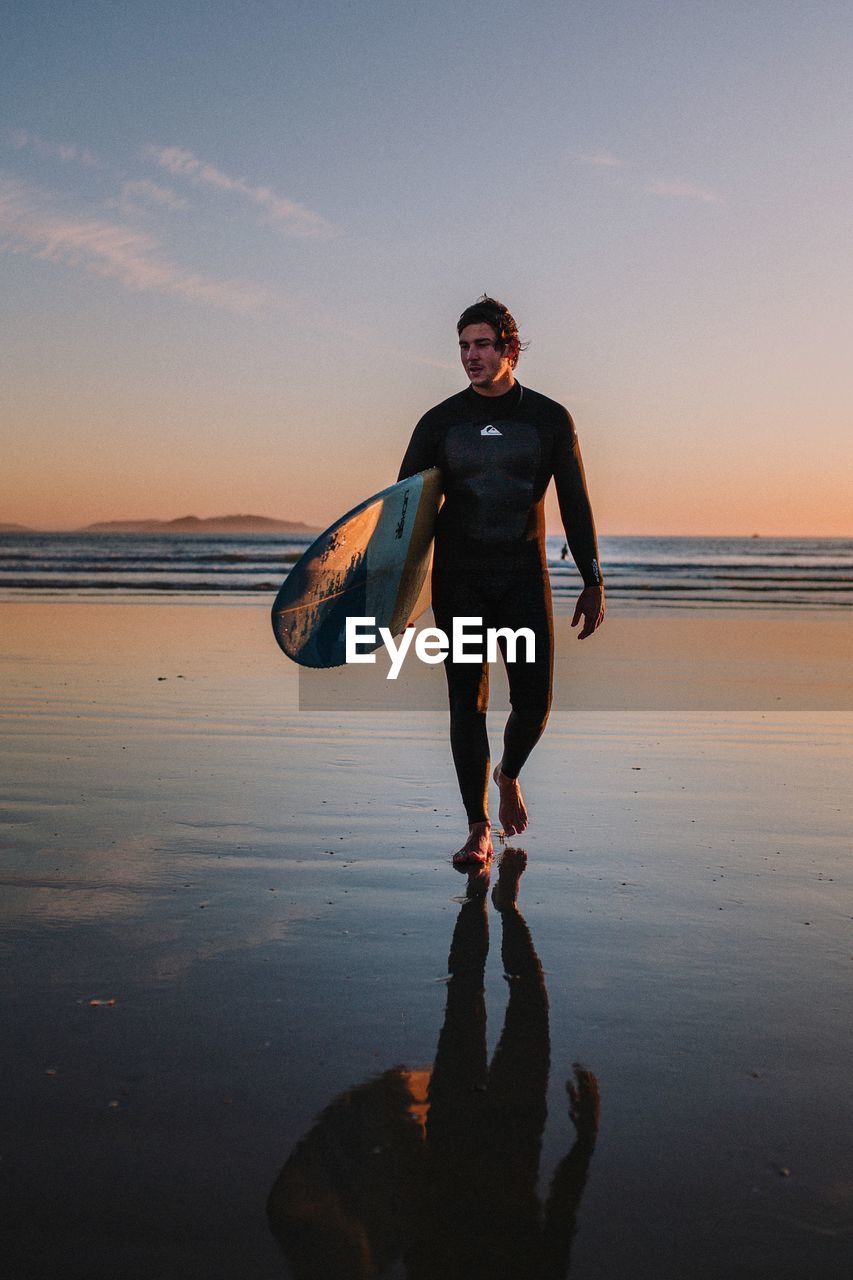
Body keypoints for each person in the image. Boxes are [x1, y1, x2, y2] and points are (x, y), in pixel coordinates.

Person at [398, 296, 605, 868]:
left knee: (535, 703)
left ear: (509, 349)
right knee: (467, 702)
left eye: (481, 344)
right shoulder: (439, 422)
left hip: (521, 577)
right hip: (459, 580)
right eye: (463, 346)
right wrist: (395, 597)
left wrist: (592, 577)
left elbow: (576, 502)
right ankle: (477, 829)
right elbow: (406, 513)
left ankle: (508, 772)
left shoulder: (548, 419)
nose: (470, 356)